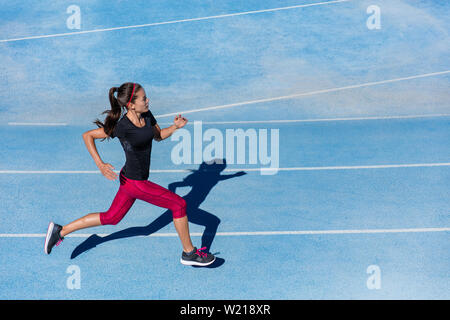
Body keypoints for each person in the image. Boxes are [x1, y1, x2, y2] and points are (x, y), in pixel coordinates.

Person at [44, 82, 215, 267]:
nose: (148, 100)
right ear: (131, 104)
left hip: (129, 181)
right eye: (143, 98)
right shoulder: (122, 127)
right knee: (179, 204)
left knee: (112, 217)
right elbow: (88, 135)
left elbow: (158, 136)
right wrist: (100, 164)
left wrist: (175, 127)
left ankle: (60, 231)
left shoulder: (147, 115)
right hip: (135, 183)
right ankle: (189, 253)